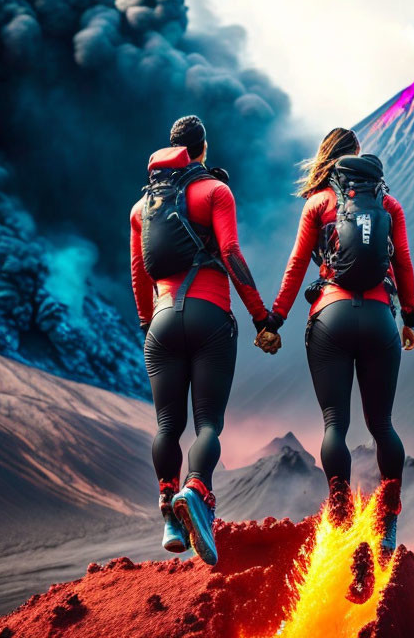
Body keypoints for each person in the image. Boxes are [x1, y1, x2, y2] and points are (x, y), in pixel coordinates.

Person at [258, 127, 414, 559]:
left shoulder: (318, 204)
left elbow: (295, 267)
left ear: (329, 161)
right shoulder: (388, 204)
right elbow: (402, 262)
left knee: (335, 425)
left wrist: (274, 320)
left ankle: (342, 515)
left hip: (329, 315)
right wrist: (410, 318)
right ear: (361, 161)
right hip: (381, 317)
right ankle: (387, 521)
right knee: (382, 424)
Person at [130, 115, 281, 565]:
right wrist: (261, 319)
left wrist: (148, 324)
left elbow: (139, 276)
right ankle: (196, 490)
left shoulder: (141, 210)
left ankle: (169, 513)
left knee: (166, 427)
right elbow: (231, 254)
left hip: (160, 322)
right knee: (208, 424)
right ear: (203, 149)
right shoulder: (215, 192)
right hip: (210, 316)